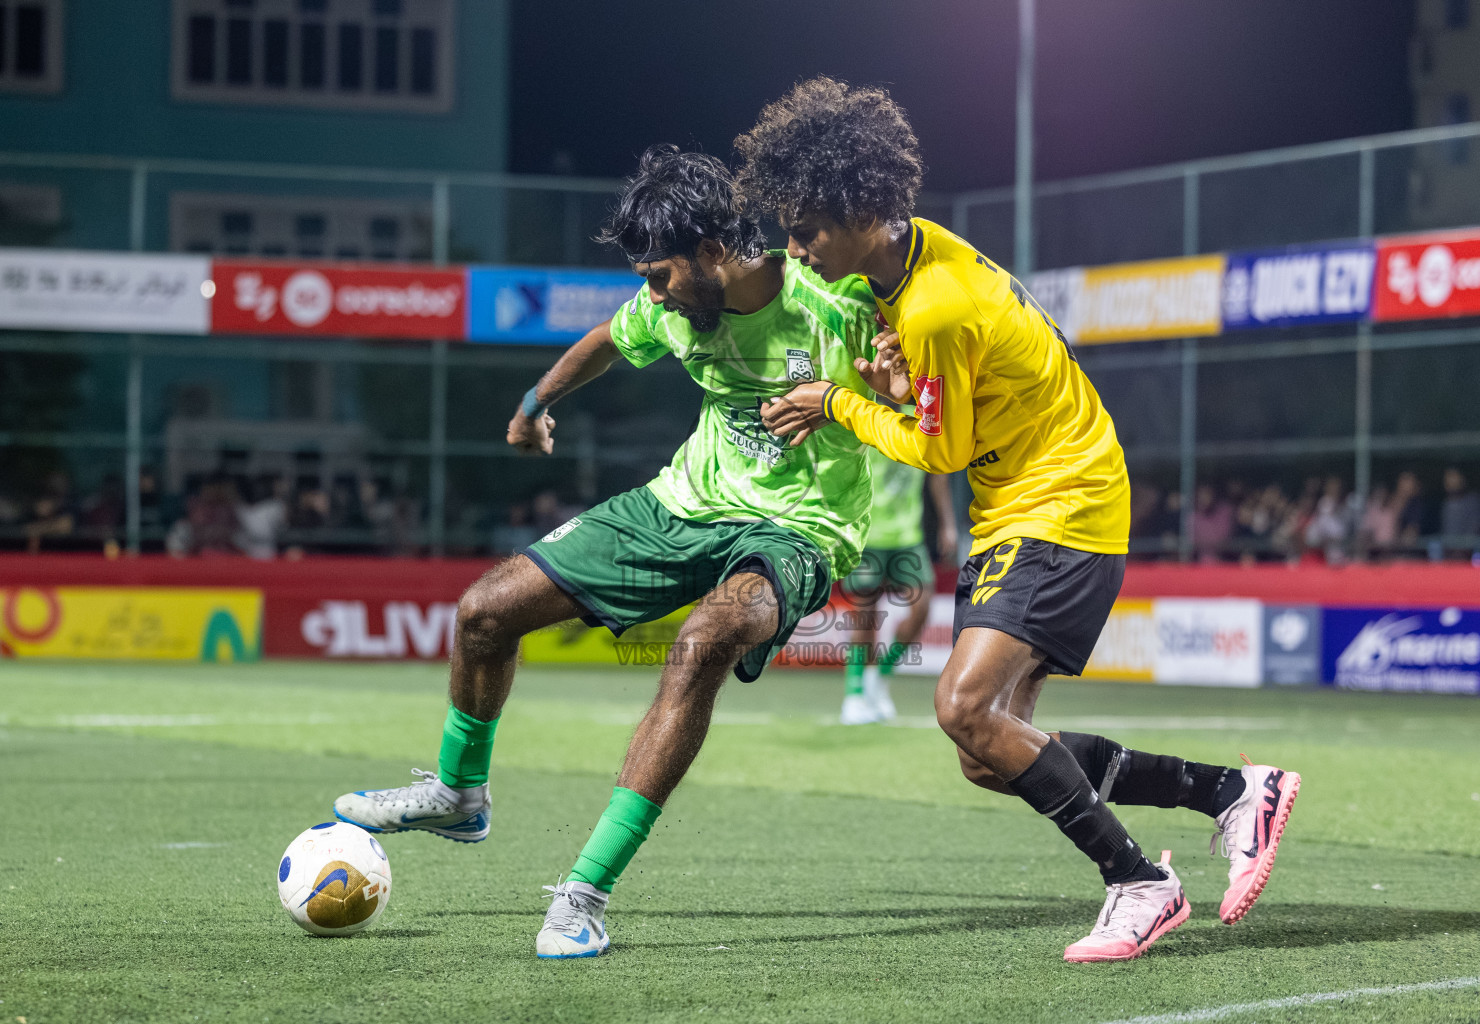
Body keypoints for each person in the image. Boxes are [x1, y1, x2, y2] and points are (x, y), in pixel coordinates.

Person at [739, 78, 1301, 963]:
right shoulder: (910, 266)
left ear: (864, 210)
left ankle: (1139, 884)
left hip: (1061, 502)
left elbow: (939, 450)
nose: (794, 245)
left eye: (806, 226)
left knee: (962, 706)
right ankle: (1234, 791)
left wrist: (836, 403)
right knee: (989, 748)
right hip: (1021, 505)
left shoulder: (934, 305)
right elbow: (944, 405)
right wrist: (890, 383)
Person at [333, 146, 885, 959]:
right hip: (680, 506)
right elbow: (605, 337)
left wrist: (865, 395)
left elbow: (912, 382)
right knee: (485, 612)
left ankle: (584, 896)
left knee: (701, 645)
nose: (651, 293)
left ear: (711, 253)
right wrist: (534, 403)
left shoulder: (831, 306)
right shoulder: (669, 308)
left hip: (798, 528)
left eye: (659, 274)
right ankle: (458, 793)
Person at [841, 442, 956, 724]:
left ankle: (880, 674)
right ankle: (854, 694)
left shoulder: (919, 418)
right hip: (868, 534)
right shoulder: (865, 415)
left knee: (922, 608)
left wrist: (947, 524)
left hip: (908, 536)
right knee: (865, 617)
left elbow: (937, 474)